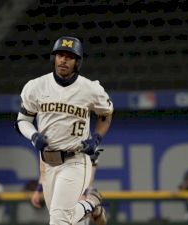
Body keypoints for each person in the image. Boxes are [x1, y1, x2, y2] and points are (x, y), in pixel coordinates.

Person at [15, 36, 113, 225]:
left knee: (59, 220)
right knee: (63, 220)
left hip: (75, 160)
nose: (63, 60)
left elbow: (106, 114)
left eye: (69, 56)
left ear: (78, 61)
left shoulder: (90, 89)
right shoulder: (36, 86)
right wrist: (33, 135)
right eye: (60, 55)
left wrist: (97, 138)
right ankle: (91, 203)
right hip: (49, 162)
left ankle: (90, 203)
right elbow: (23, 120)